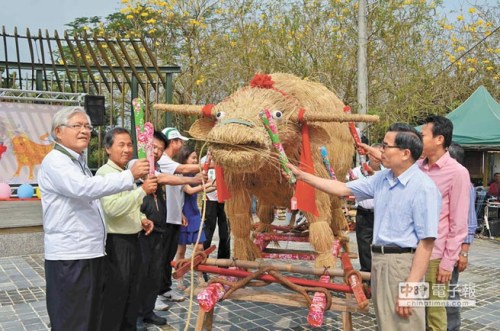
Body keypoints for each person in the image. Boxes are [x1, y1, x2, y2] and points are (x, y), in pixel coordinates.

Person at [287, 123, 441, 330]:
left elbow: (427, 242)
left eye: (386, 146)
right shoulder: (383, 179)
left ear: (405, 153)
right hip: (380, 261)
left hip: (404, 264)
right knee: (387, 323)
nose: (380, 151)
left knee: (407, 323)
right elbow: (342, 188)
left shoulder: (423, 187)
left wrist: (411, 287)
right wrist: (303, 175)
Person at [38, 106, 150, 331]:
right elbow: (84, 189)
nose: (84, 131)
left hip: (89, 252)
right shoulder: (56, 161)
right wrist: (131, 176)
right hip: (71, 255)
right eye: (77, 126)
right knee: (73, 319)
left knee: (89, 317)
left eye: (87, 126)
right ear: (58, 132)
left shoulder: (77, 161)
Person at [96, 127, 157, 331]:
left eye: (130, 144)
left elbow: (127, 204)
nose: (127, 149)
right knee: (116, 297)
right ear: (107, 149)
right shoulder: (105, 173)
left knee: (132, 295)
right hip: (116, 244)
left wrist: (141, 219)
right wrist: (142, 190)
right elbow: (112, 209)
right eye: (121, 144)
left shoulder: (124, 174)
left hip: (133, 241)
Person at [419, 116, 469, 331]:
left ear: (439, 139)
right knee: (413, 308)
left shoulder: (457, 172)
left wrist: (448, 262)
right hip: (412, 253)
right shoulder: (416, 168)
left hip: (436, 258)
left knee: (436, 313)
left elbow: (458, 223)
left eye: (423, 135)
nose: (418, 139)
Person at [157, 127, 205, 305]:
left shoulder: (169, 162)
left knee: (168, 256)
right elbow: (185, 169)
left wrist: (180, 213)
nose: (182, 145)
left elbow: (178, 191)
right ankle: (155, 294)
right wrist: (209, 165)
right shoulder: (164, 161)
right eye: (180, 141)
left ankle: (165, 289)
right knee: (161, 257)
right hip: (165, 217)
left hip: (175, 216)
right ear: (173, 142)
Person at [446, 142, 478, 331]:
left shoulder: (464, 183)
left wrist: (463, 252)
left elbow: (469, 221)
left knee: (448, 291)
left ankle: (452, 327)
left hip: (454, 249)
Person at [175, 147, 215, 289]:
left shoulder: (196, 175)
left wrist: (213, 185)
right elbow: (190, 190)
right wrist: (209, 185)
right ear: (184, 160)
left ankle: (199, 275)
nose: (195, 161)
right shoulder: (179, 175)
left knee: (199, 248)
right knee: (181, 250)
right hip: (184, 216)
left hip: (195, 215)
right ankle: (179, 277)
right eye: (192, 158)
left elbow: (204, 184)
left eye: (196, 158)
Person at [351, 143, 384, 273]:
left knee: (381, 245)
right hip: (364, 212)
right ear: (369, 153)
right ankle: (366, 274)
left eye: (381, 152)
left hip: (381, 213)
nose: (377, 156)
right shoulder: (357, 171)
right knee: (364, 246)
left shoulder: (387, 173)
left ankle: (379, 273)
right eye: (375, 153)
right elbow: (346, 188)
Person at [200, 152, 231, 261]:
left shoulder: (227, 158)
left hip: (225, 200)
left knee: (225, 232)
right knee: (207, 232)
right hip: (209, 199)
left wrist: (224, 188)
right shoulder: (204, 160)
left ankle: (224, 262)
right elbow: (202, 180)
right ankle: (203, 262)